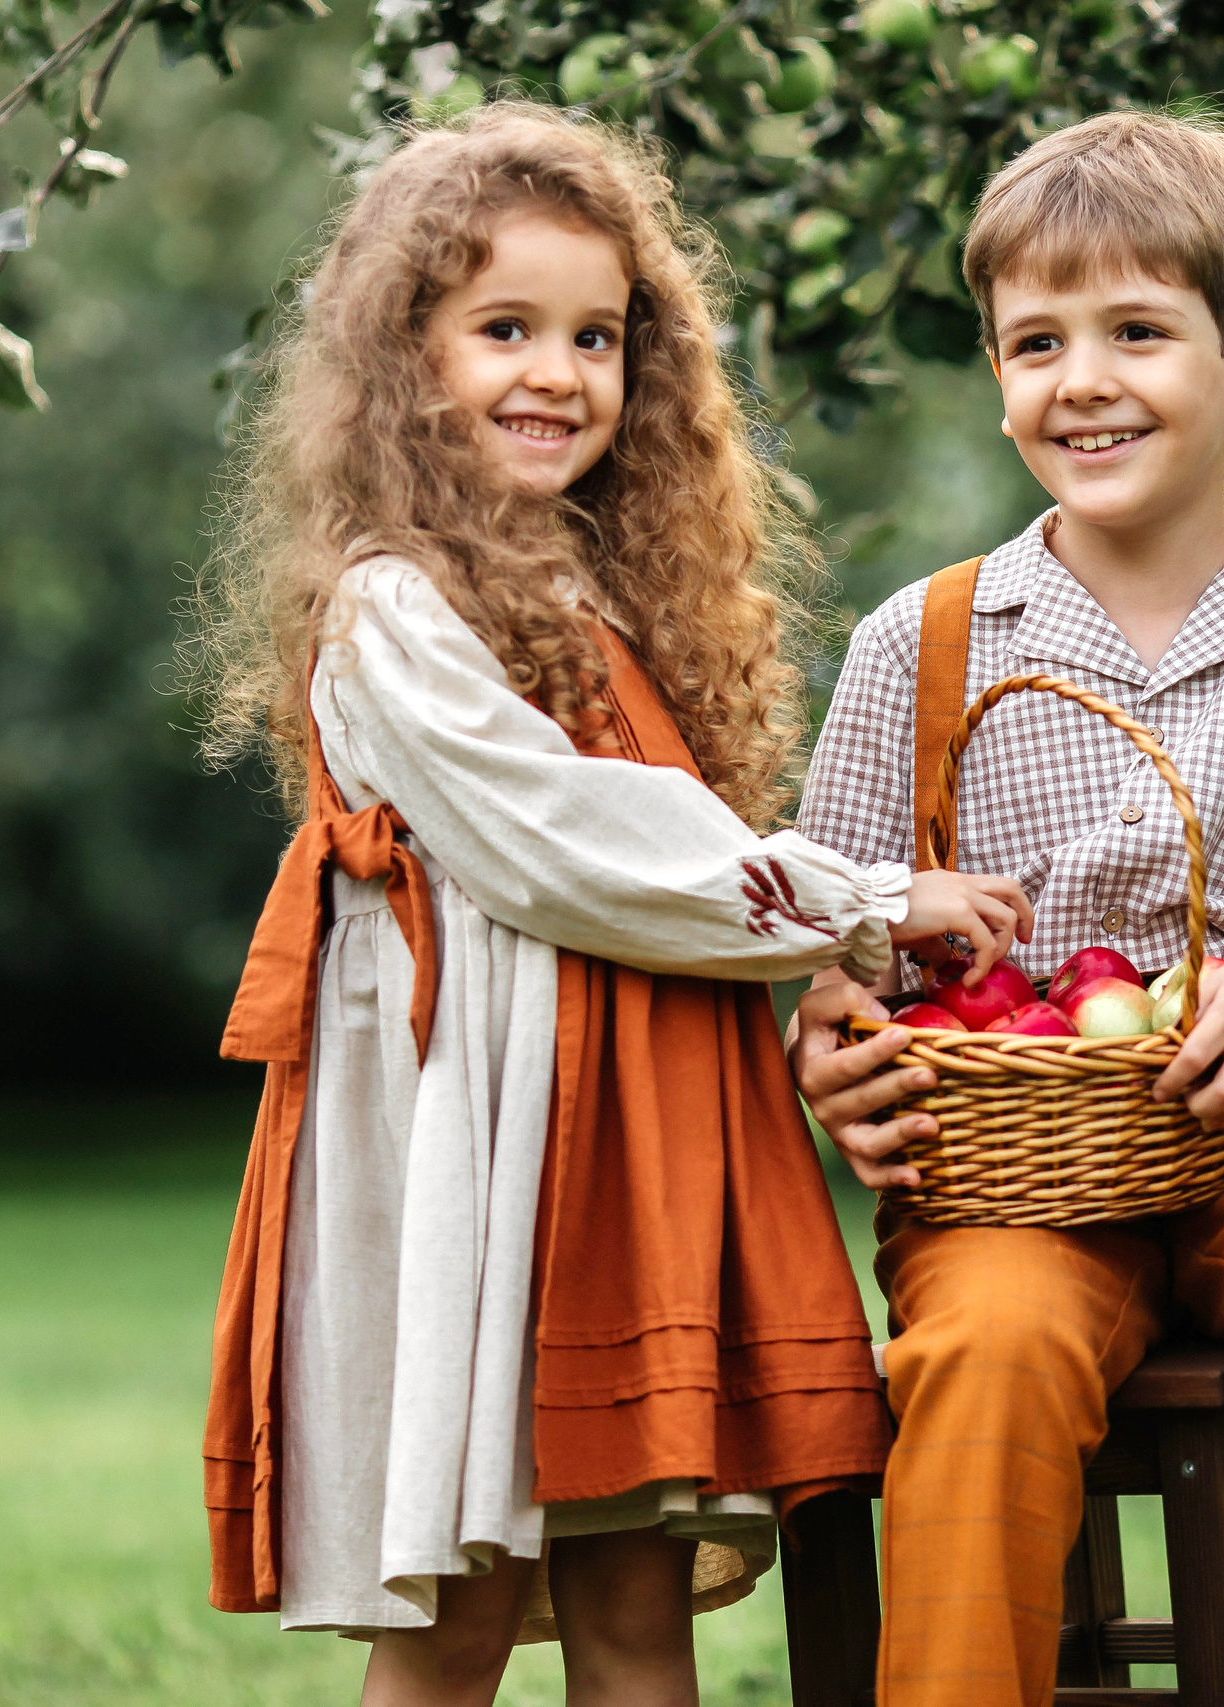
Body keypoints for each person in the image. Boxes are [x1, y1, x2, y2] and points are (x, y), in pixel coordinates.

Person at [191, 105, 1030, 1707]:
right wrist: (864, 900)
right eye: (503, 328)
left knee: (640, 1609)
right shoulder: (391, 610)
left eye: (596, 336)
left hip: (624, 1156)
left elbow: (655, 843)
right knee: (452, 1627)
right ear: (405, 355)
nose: (558, 374)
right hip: (482, 1165)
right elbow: (571, 843)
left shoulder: (605, 594)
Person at [790, 110, 1224, 1707]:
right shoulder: (920, 647)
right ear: (996, 377)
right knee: (985, 1356)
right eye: (1036, 342)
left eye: (1135, 331)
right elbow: (831, 968)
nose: (1082, 380)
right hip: (1011, 1184)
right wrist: (825, 1051)